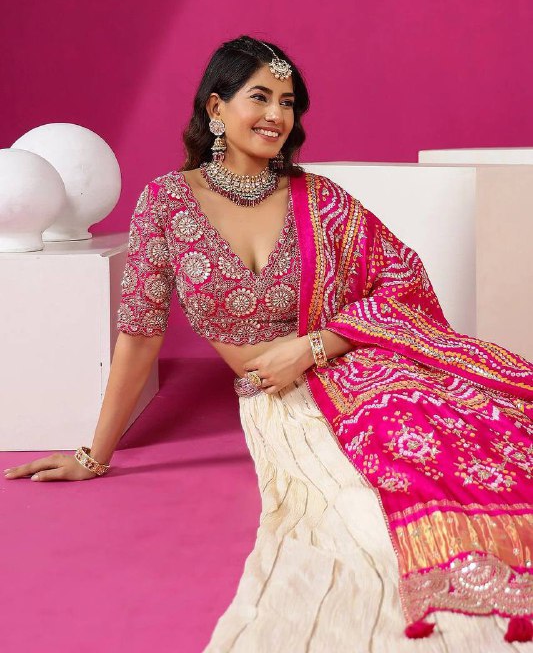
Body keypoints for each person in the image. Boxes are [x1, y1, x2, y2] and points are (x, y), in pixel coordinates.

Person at [5, 35, 533, 651]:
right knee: (372, 506)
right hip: (290, 405)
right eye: (260, 96)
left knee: (479, 437)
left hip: (362, 365)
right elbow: (140, 335)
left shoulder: (319, 198)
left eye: (287, 102)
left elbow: (402, 276)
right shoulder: (167, 203)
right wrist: (94, 456)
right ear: (216, 107)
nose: (277, 115)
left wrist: (314, 346)